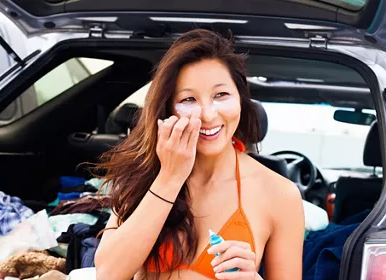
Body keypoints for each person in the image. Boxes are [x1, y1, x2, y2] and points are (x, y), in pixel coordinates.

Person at [93, 29, 304, 280]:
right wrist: (170, 177)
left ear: (240, 99)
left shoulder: (280, 194)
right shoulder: (144, 172)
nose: (208, 114)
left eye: (221, 95)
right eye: (189, 99)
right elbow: (108, 274)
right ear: (168, 108)